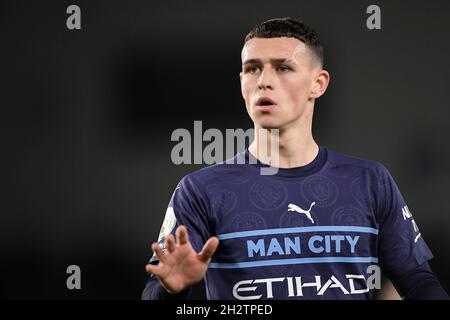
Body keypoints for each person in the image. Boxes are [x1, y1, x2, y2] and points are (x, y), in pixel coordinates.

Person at [142, 17, 449, 300]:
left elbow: (418, 281)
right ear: (241, 82)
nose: (264, 80)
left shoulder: (370, 181)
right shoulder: (200, 190)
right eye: (252, 68)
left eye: (282, 68)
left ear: (319, 83)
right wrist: (172, 290)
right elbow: (155, 291)